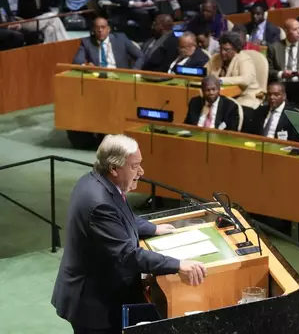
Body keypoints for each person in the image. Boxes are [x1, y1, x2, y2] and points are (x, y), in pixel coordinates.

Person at [51, 134, 207, 333]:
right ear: (114, 168)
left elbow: (120, 218)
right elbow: (127, 254)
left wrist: (153, 228)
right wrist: (177, 264)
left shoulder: (95, 181)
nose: (141, 172)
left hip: (100, 292)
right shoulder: (99, 203)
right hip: (94, 307)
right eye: (134, 166)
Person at [266, 18, 299, 112]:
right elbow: (269, 71)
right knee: (274, 92)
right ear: (286, 31)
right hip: (282, 83)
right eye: (295, 30)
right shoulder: (274, 48)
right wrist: (281, 74)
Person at [206, 32, 262, 109]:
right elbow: (203, 73)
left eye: (226, 50)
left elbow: (245, 80)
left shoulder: (243, 59)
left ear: (236, 50)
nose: (222, 52)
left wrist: (220, 80)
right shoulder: (216, 58)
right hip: (221, 97)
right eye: (221, 49)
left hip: (245, 97)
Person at [73, 17, 144, 69]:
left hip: (120, 75)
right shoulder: (86, 42)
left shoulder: (121, 39)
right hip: (98, 77)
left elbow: (141, 56)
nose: (100, 30)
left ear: (108, 29)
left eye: (103, 27)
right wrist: (85, 66)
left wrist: (134, 71)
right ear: (93, 30)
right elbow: (77, 62)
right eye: (97, 28)